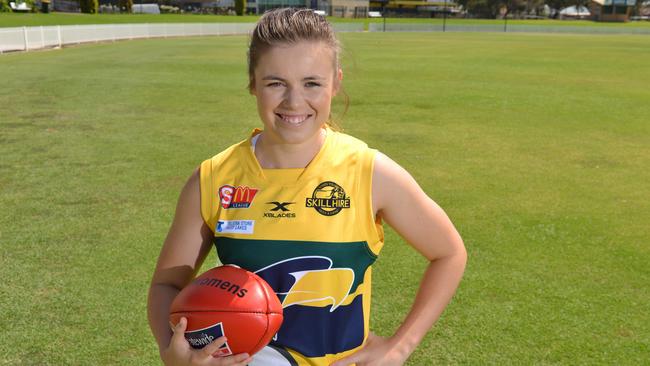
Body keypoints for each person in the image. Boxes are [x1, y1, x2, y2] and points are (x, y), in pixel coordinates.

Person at [147, 8, 466, 366]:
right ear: (253, 83)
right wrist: (170, 350)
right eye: (275, 83)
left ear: (336, 82)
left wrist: (400, 346)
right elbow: (166, 287)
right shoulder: (213, 179)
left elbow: (449, 253)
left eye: (311, 83)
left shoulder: (370, 173)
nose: (294, 102)